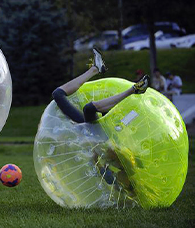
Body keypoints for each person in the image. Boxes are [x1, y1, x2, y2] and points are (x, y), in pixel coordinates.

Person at [52, 47, 149, 194]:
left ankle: (98, 70)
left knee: (61, 96)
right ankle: (129, 87)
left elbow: (99, 161)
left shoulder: (122, 173)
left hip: (96, 137)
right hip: (99, 136)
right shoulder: (127, 167)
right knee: (87, 108)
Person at [52, 47, 149, 124]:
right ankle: (133, 90)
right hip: (98, 136)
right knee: (88, 108)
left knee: (57, 94)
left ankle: (95, 69)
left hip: (87, 131)